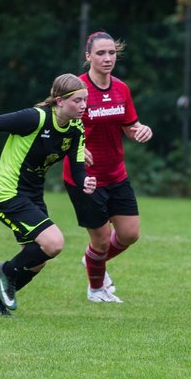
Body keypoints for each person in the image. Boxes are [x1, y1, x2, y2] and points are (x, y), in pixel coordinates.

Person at [0, 74, 95, 315]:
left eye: (85, 101)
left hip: (33, 194)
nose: (83, 106)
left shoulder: (75, 129)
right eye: (78, 101)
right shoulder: (35, 118)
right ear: (59, 101)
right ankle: (6, 271)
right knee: (54, 243)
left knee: (38, 260)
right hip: (7, 192)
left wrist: (86, 181)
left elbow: (78, 168)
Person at [61, 31, 152, 304]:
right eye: (101, 53)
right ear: (88, 56)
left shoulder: (121, 89)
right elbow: (58, 128)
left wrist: (140, 130)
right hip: (85, 177)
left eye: (112, 53)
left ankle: (92, 259)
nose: (108, 58)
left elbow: (129, 125)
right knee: (101, 240)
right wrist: (77, 148)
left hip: (116, 174)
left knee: (129, 234)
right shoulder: (77, 90)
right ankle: (96, 288)